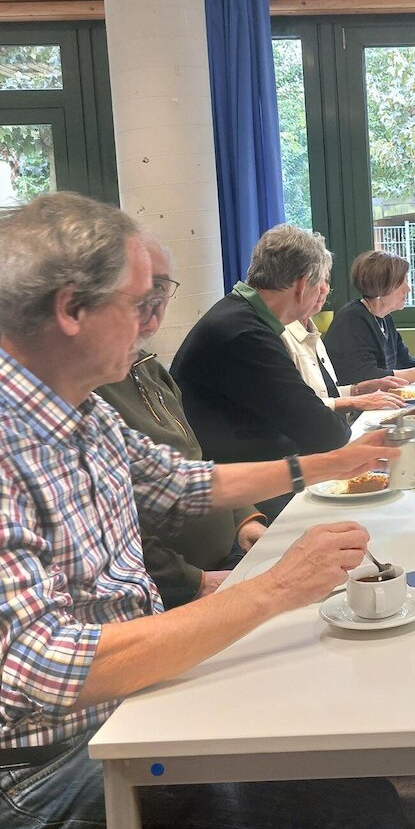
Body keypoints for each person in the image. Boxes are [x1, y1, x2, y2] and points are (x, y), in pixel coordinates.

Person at [0, 191, 405, 829]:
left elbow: (184, 483)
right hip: (34, 776)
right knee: (355, 810)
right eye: (139, 305)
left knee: (332, 729)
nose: (154, 323)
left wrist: (330, 464)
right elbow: (41, 669)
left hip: (129, 710)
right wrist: (272, 588)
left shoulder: (82, 410)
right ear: (72, 308)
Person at [96, 235, 269, 608]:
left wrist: (244, 518)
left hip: (223, 560)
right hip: (180, 587)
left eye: (161, 291)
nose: (154, 312)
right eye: (140, 293)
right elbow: (121, 528)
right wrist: (194, 582)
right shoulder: (84, 393)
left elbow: (194, 462)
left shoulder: (148, 368)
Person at [171, 226, 356, 518]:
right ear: (301, 285)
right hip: (243, 496)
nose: (323, 291)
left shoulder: (238, 316)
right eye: (320, 282)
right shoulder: (244, 333)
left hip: (248, 477)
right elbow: (321, 431)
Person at [281, 274, 412, 417]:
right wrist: (355, 401)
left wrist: (359, 390)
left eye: (326, 280)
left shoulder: (312, 332)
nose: (324, 289)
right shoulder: (281, 335)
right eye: (316, 280)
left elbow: (326, 392)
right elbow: (296, 406)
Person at [323, 250, 415, 385]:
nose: (408, 289)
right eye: (402, 282)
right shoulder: (352, 319)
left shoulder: (385, 318)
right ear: (381, 285)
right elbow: (368, 376)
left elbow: (403, 360)